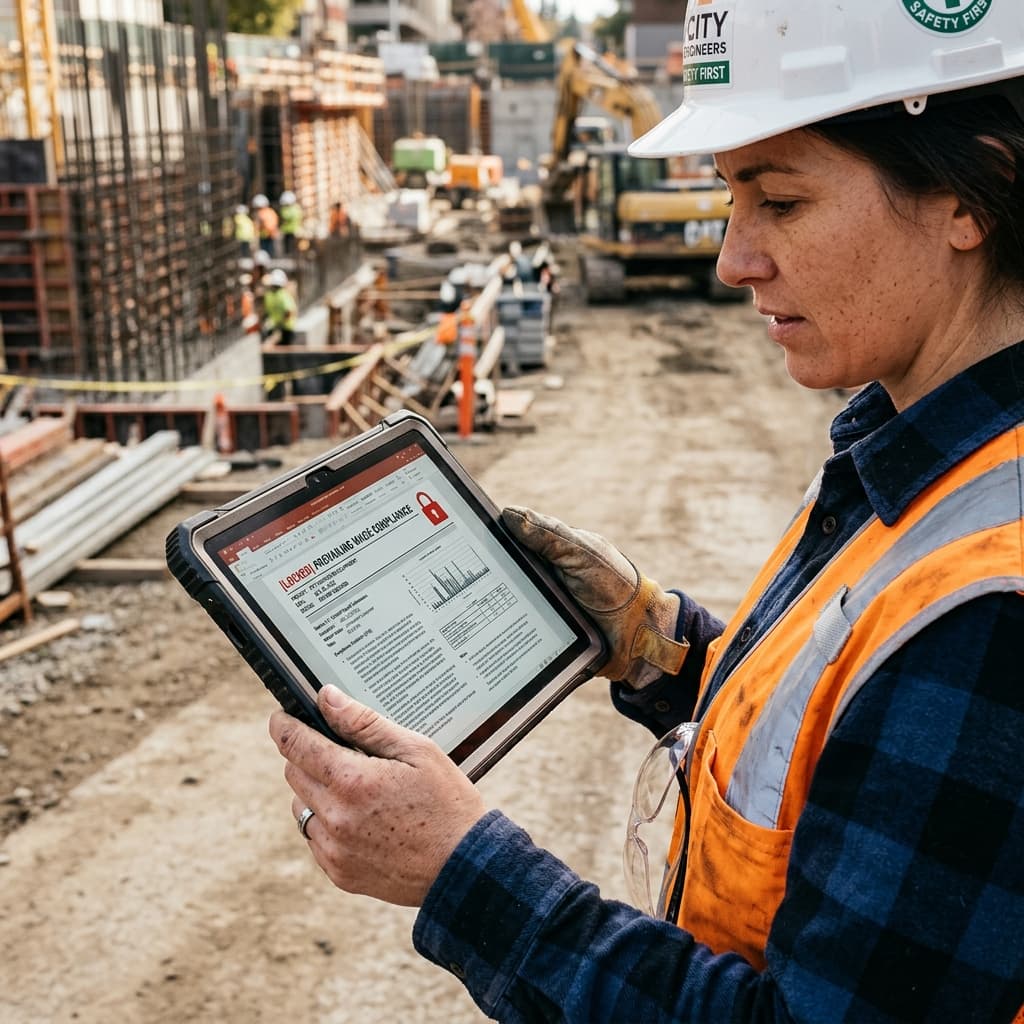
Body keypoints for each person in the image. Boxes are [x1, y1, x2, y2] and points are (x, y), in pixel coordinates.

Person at [269, 2, 1024, 1021]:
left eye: (782, 203)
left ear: (971, 197)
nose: (732, 258)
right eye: (726, 199)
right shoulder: (924, 451)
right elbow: (847, 743)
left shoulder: (992, 611)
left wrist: (464, 873)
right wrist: (658, 646)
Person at [262, 268, 297, 346]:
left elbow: (267, 312)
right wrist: (281, 324)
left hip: (276, 328)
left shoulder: (268, 295)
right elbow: (289, 311)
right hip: (286, 329)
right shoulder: (283, 295)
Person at [251, 193, 279, 258]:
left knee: (266, 249)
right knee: (269, 248)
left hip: (266, 234)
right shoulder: (271, 212)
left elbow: (265, 224)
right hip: (269, 233)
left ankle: (268, 257)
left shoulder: (262, 213)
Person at [278, 190, 303, 256]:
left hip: (293, 230)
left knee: (292, 244)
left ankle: (292, 254)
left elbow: (286, 217)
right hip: (287, 230)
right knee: (287, 245)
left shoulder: (293, 209)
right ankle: (289, 254)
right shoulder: (295, 208)